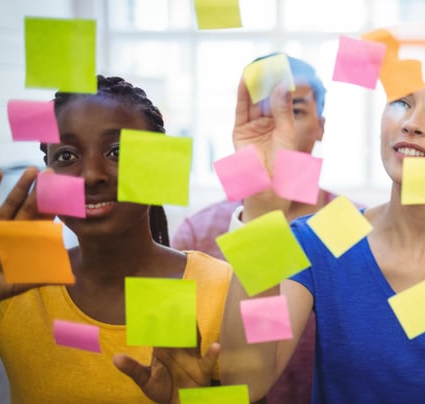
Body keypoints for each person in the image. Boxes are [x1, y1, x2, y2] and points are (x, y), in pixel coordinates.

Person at [219, 39, 425, 403]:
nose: (412, 123)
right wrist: (260, 207)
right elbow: (245, 382)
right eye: (401, 102)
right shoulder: (328, 233)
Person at [0, 75, 232, 403]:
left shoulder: (222, 289)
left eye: (117, 151)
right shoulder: (10, 284)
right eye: (67, 156)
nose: (91, 175)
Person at [171, 54, 340, 404]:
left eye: (295, 111)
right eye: (263, 112)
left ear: (321, 126)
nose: (279, 127)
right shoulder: (197, 234)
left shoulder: (353, 227)